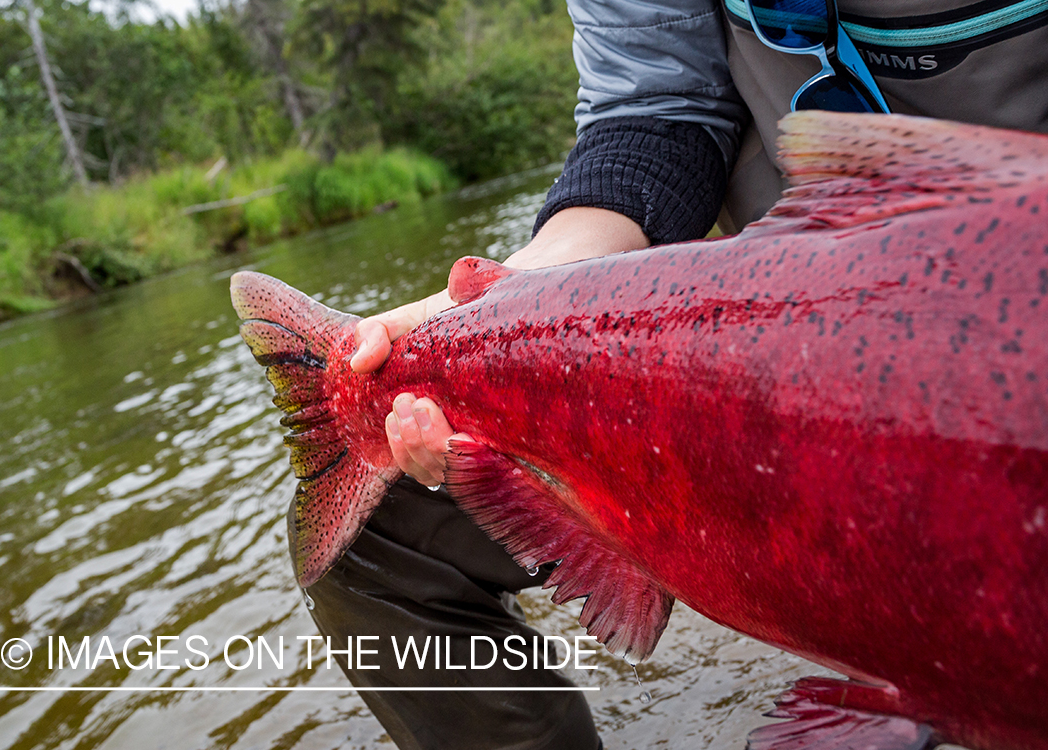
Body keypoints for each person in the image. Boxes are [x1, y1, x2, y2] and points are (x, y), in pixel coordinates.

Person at [306, 1, 1048, 748]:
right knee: (374, 538)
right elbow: (656, 115)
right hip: (776, 314)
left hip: (1013, 284)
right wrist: (515, 292)